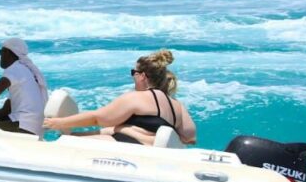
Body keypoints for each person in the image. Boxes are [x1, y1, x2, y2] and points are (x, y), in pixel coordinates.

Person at [43, 49, 196, 145]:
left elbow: (98, 119)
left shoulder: (137, 97)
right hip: (147, 153)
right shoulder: (177, 106)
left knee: (61, 144)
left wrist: (57, 122)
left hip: (127, 146)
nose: (132, 76)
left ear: (142, 76)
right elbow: (189, 137)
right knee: (74, 137)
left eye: (133, 73)